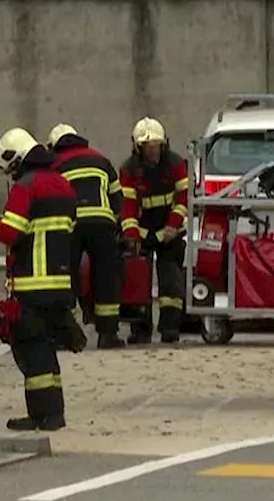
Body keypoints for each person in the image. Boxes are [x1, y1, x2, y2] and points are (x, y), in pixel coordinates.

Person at [0, 127, 79, 431]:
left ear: (16, 160)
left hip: (30, 285)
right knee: (47, 351)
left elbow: (11, 233)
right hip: (60, 284)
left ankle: (45, 416)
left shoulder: (26, 187)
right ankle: (54, 411)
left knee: (32, 352)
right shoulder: (63, 185)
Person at [47, 123, 125, 350]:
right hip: (102, 223)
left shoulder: (54, 164)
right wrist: (114, 224)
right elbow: (117, 198)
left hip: (70, 224)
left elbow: (51, 197)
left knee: (66, 276)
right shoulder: (101, 158)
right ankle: (107, 334)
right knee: (106, 277)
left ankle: (66, 335)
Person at [118, 117, 190, 345]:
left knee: (171, 279)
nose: (153, 151)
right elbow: (127, 207)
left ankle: (170, 328)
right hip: (142, 230)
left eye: (156, 146)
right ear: (138, 148)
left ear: (163, 144)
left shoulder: (176, 164)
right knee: (138, 279)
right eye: (148, 147)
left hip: (171, 229)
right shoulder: (128, 169)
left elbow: (183, 198)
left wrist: (173, 224)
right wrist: (131, 236)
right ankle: (140, 329)